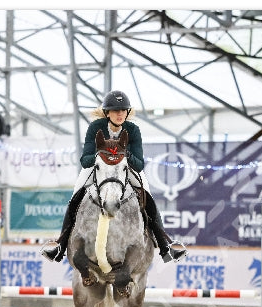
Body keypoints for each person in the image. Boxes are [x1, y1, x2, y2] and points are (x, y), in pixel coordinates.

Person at [41, 89, 187, 264]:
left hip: (124, 168)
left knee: (147, 195)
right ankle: (60, 245)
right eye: (116, 111)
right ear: (107, 113)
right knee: (76, 194)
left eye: (123, 110)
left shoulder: (133, 130)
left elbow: (139, 164)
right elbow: (85, 161)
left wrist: (123, 154)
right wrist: (100, 156)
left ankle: (165, 246)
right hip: (99, 167)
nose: (120, 114)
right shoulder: (95, 128)